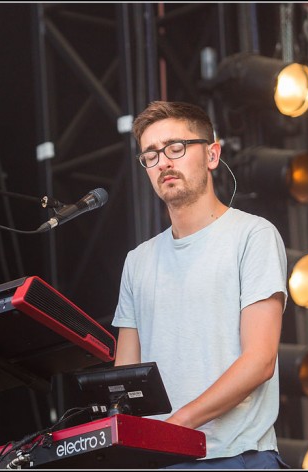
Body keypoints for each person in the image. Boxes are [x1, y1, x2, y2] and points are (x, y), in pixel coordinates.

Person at [112, 101, 289, 469]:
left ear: (212, 154)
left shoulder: (253, 235)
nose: (164, 162)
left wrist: (177, 426)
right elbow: (125, 376)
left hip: (236, 456)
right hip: (160, 460)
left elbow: (260, 361)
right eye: (150, 155)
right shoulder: (137, 261)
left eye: (176, 148)